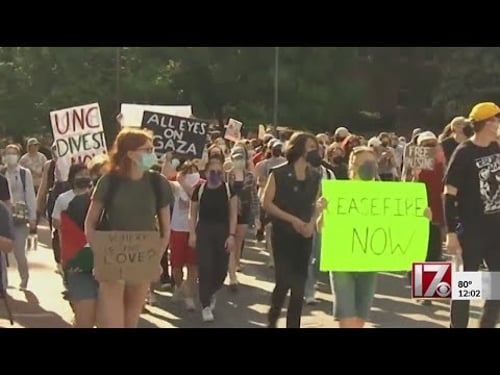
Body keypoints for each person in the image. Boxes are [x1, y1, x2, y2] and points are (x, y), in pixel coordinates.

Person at [85, 128, 174, 328]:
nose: (153, 154)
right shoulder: (109, 181)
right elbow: (90, 221)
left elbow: (165, 228)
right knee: (113, 323)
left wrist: (155, 256)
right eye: (148, 149)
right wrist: (98, 250)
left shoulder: (158, 183)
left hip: (142, 257)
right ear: (131, 154)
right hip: (113, 256)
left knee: (131, 319)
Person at [444, 102, 500, 328]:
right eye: (496, 119)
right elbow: (448, 194)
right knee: (465, 288)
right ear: (488, 123)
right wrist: (450, 233)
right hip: (472, 232)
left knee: (496, 289)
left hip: (496, 232)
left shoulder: (497, 147)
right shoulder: (464, 152)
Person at [262, 132, 323, 328]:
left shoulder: (315, 176)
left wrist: (312, 222)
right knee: (284, 281)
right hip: (282, 234)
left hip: (305, 236)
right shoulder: (279, 173)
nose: (315, 151)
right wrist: (293, 220)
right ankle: (273, 318)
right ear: (299, 148)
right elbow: (267, 203)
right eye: (311, 147)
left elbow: (318, 204)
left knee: (299, 286)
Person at [325, 146, 380, 328]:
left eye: (372, 163)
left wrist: (420, 216)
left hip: (369, 260)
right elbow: (319, 226)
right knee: (347, 318)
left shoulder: (385, 195)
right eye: (365, 163)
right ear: (353, 166)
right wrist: (321, 211)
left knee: (360, 318)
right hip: (342, 261)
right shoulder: (339, 193)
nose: (370, 167)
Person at [189, 154, 238, 323]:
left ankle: (211, 292)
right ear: (206, 172)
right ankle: (205, 305)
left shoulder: (229, 189)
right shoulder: (199, 189)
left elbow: (233, 214)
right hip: (204, 230)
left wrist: (231, 235)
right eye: (212, 171)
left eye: (218, 171)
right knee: (205, 267)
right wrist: (192, 233)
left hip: (223, 231)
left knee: (221, 270)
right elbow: (192, 213)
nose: (215, 174)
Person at [52, 163, 97, 327]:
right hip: (73, 252)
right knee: (76, 291)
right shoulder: (64, 199)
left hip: (96, 255)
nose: (84, 177)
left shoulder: (97, 199)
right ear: (72, 178)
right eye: (80, 174)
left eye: (87, 173)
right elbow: (56, 222)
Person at [411, 131, 445, 305]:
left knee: (433, 252)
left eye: (432, 144)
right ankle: (422, 290)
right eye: (426, 145)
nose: (429, 148)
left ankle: (430, 293)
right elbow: (411, 188)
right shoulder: (416, 164)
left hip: (436, 213)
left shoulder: (443, 162)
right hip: (420, 213)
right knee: (421, 252)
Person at [2, 145, 37, 290]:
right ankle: (3, 281)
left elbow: (29, 194)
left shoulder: (24, 173)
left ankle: (24, 278)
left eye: (14, 153)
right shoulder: (2, 173)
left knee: (19, 252)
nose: (11, 156)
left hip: (19, 218)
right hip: (3, 217)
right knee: (2, 254)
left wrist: (32, 217)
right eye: (8, 153)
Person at [169, 161, 203, 311]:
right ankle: (180, 286)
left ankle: (189, 297)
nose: (191, 174)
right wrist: (168, 159)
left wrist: (184, 183)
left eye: (194, 170)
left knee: (192, 265)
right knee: (176, 266)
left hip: (194, 230)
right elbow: (163, 176)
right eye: (187, 171)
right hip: (177, 229)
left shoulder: (203, 185)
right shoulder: (176, 186)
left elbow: (195, 198)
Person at [226, 144, 260, 291]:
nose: (239, 160)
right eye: (236, 157)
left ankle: (235, 263)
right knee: (231, 240)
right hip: (229, 211)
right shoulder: (226, 175)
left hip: (245, 211)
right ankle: (231, 273)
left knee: (239, 241)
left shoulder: (250, 176)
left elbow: (254, 196)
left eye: (242, 157)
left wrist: (257, 216)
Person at [37, 144, 70, 274]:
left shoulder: (74, 162)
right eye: (55, 150)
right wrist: (38, 207)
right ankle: (59, 262)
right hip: (54, 199)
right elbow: (44, 185)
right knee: (56, 231)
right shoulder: (49, 165)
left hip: (71, 200)